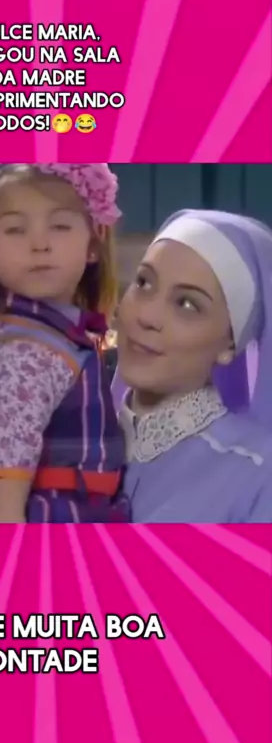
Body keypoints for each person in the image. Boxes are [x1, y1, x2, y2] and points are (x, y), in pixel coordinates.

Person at [0, 163, 130, 523]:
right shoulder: (11, 347)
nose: (40, 244)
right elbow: (0, 509)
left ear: (93, 243)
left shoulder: (56, 332)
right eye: (15, 229)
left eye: (60, 226)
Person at [113, 209, 272, 523]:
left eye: (187, 304)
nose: (147, 316)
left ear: (229, 346)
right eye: (143, 283)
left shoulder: (258, 474)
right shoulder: (69, 438)